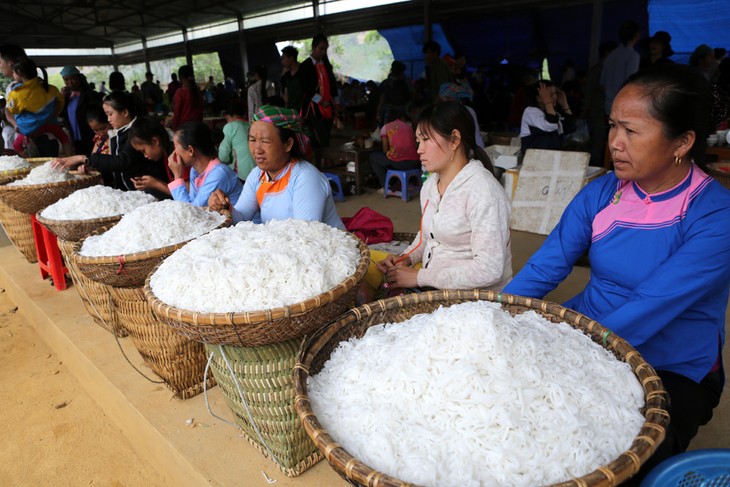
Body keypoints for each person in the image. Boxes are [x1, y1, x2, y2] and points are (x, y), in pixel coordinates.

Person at [504, 64, 730, 485]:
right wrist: (494, 315)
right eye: (612, 126)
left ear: (682, 142)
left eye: (631, 131)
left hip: (672, 365)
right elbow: (547, 264)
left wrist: (559, 349)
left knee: (606, 462)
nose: (614, 143)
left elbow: (651, 306)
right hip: (585, 332)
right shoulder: (603, 191)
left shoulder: (714, 214)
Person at [363, 101, 512, 301]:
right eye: (418, 141)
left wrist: (419, 277)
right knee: (364, 267)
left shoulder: (484, 191)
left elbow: (489, 269)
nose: (419, 150)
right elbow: (427, 237)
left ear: (454, 140)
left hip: (475, 301)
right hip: (434, 285)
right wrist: (406, 258)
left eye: (425, 140)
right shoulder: (431, 186)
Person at [208, 105, 343, 229]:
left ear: (288, 144)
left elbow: (304, 237)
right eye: (252, 140)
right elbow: (241, 218)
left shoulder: (306, 178)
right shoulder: (257, 175)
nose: (257, 150)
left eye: (265, 141)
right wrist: (224, 207)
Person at [51, 92, 169, 194]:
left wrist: (83, 158)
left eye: (110, 114)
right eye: (107, 115)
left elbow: (122, 161)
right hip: (127, 191)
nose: (108, 119)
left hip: (145, 192)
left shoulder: (137, 132)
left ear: (125, 112)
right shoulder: (118, 133)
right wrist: (92, 167)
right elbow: (114, 165)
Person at [166, 121, 243, 207]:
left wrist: (177, 177)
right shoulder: (194, 171)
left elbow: (193, 212)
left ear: (191, 150)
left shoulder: (219, 174)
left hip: (243, 220)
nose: (174, 152)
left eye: (175, 147)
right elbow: (191, 204)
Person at [6, 58, 71, 157]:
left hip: (29, 129)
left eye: (13, 73)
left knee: (16, 145)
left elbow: (12, 110)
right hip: (50, 124)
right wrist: (51, 115)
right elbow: (60, 103)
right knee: (64, 138)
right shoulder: (51, 89)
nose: (13, 76)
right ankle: (70, 159)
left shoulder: (16, 94)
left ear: (19, 72)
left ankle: (26, 159)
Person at [299, 33, 338, 151]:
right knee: (318, 135)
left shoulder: (326, 65)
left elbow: (332, 85)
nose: (323, 52)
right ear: (313, 47)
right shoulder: (305, 66)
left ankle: (325, 160)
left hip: (328, 106)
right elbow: (305, 88)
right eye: (321, 49)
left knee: (326, 135)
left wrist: (334, 102)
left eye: (325, 49)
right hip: (313, 107)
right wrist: (320, 101)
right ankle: (321, 161)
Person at [368, 107, 421, 190]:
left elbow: (385, 150)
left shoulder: (386, 127)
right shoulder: (409, 126)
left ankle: (386, 185)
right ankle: (409, 182)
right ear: (401, 117)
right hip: (415, 162)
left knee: (373, 157)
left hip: (399, 164)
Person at [519, 79, 574, 153]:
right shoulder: (530, 112)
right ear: (538, 98)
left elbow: (570, 128)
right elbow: (551, 125)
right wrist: (547, 101)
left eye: (555, 93)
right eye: (550, 95)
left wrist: (565, 104)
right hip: (534, 159)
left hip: (550, 158)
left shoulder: (553, 112)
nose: (554, 97)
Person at [601, 20, 641, 115]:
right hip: (623, 105)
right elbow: (630, 82)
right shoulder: (633, 55)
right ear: (636, 35)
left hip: (608, 104)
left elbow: (602, 82)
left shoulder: (612, 54)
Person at [60, 65, 102, 155]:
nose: (70, 83)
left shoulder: (90, 95)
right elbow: (61, 114)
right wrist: (61, 99)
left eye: (72, 79)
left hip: (91, 135)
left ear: (78, 78)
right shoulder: (67, 97)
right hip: (75, 137)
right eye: (66, 80)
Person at [218, 101, 255, 182]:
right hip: (258, 172)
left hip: (242, 176)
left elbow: (223, 156)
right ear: (244, 114)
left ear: (227, 116)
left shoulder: (230, 126)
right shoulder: (252, 126)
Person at [376, 60, 412, 127]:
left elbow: (381, 101)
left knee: (386, 132)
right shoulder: (403, 84)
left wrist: (378, 112)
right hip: (400, 113)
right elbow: (408, 99)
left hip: (387, 112)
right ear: (402, 72)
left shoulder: (384, 83)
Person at [171, 65, 203, 131]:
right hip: (198, 127)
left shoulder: (180, 93)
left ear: (180, 77)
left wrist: (174, 128)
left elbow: (176, 114)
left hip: (185, 129)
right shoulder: (198, 91)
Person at [280, 45, 304, 113]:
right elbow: (285, 95)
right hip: (292, 112)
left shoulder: (304, 72)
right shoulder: (286, 76)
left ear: (291, 58)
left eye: (284, 58)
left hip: (305, 111)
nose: (282, 62)